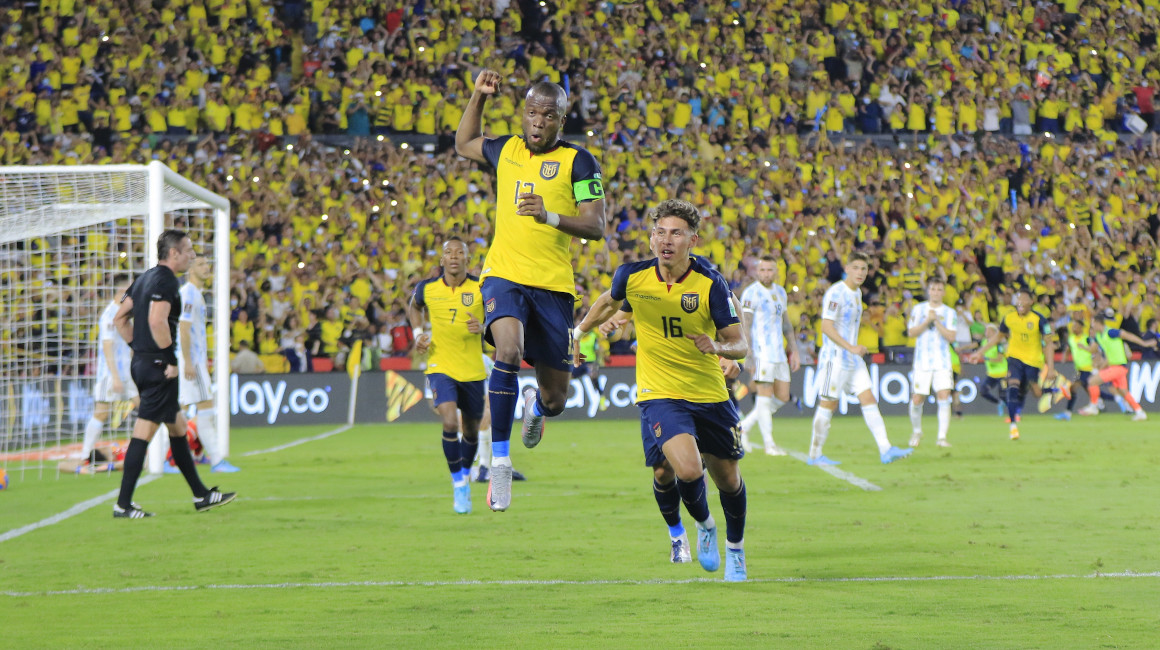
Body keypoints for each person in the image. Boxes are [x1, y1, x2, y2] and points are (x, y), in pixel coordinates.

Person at [574, 199, 750, 582]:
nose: (666, 240)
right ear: (651, 239)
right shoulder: (632, 276)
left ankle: (736, 549)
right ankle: (703, 526)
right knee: (684, 469)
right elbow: (608, 301)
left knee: (729, 481)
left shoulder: (710, 283)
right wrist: (580, 330)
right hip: (660, 392)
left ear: (692, 240)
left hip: (709, 393)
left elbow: (739, 344)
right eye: (659, 232)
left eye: (675, 233)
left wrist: (718, 347)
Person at [455, 70, 606, 512]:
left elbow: (595, 225)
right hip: (503, 275)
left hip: (554, 288)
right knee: (507, 350)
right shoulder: (506, 150)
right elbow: (464, 144)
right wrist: (478, 97)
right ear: (523, 115)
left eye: (548, 115)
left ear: (562, 119)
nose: (537, 122)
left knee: (556, 399)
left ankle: (534, 407)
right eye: (532, 113)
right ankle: (499, 464)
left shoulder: (580, 162)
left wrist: (549, 217)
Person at [111, 229, 236, 518]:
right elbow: (157, 321)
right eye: (188, 250)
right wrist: (168, 359)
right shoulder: (167, 280)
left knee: (177, 426)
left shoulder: (144, 278)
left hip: (143, 363)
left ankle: (201, 494)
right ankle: (123, 504)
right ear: (174, 253)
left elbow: (120, 318)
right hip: (159, 367)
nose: (192, 255)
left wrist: (138, 347)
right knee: (143, 432)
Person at [808, 251, 913, 465]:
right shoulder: (836, 293)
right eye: (855, 267)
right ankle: (815, 454)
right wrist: (851, 347)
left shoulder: (857, 294)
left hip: (853, 359)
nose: (860, 272)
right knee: (828, 404)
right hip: (835, 358)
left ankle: (886, 449)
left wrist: (853, 350)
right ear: (846, 268)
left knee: (869, 398)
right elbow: (826, 327)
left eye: (864, 269)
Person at [408, 237, 487, 514]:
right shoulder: (427, 289)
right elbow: (413, 307)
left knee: (471, 431)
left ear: (467, 259)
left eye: (459, 253)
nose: (453, 257)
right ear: (441, 260)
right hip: (440, 365)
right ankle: (459, 484)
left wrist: (484, 326)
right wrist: (418, 335)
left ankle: (465, 474)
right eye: (448, 253)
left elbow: (498, 316)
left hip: (473, 370)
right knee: (450, 422)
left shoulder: (481, 287)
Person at [177, 257, 239, 473]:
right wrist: (187, 361)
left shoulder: (197, 295)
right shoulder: (189, 293)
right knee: (203, 409)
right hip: (190, 361)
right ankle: (215, 460)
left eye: (207, 264)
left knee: (182, 410)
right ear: (190, 268)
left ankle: (209, 458)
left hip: (194, 360)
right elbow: (183, 329)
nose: (207, 267)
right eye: (201, 264)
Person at [974, 288, 1058, 440]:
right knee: (1012, 386)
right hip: (1014, 358)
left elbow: (1049, 344)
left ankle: (1054, 390)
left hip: (1033, 361)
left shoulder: (1040, 320)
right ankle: (1013, 426)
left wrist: (1050, 367)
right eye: (1018, 299)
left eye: (1024, 299)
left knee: (1036, 392)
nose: (1020, 302)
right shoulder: (1009, 318)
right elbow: (998, 337)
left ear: (1031, 302)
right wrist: (980, 352)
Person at [737, 255, 799, 456]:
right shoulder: (751, 293)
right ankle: (769, 445)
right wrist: (750, 353)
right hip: (762, 352)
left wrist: (794, 350)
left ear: (776, 271)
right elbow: (745, 324)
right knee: (764, 398)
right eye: (762, 270)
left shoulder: (780, 292)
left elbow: (786, 323)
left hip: (779, 354)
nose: (766, 273)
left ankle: (743, 427)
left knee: (782, 397)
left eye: (770, 270)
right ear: (757, 272)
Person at [83, 275, 139, 466]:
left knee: (147, 407)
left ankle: (156, 451)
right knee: (101, 413)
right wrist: (115, 376)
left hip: (128, 373)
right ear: (123, 292)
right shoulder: (109, 314)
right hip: (110, 373)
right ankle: (85, 455)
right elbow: (107, 346)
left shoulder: (124, 313)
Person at [906, 277, 957, 448]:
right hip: (922, 362)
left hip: (942, 362)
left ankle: (942, 437)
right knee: (917, 398)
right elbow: (911, 332)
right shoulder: (919, 310)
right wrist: (927, 320)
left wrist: (936, 321)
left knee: (944, 396)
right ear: (928, 291)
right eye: (933, 289)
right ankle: (917, 431)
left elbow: (951, 336)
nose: (936, 292)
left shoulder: (950, 313)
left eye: (939, 289)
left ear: (943, 292)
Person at [1078, 314, 1156, 420]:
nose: (1091, 327)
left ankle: (1093, 406)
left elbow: (1128, 335)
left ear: (1097, 323)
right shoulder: (1099, 337)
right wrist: (1083, 347)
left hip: (1118, 367)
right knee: (1123, 391)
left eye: (1092, 324)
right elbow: (1093, 350)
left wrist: (1144, 343)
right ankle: (1140, 412)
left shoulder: (1110, 332)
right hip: (1116, 367)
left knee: (1092, 381)